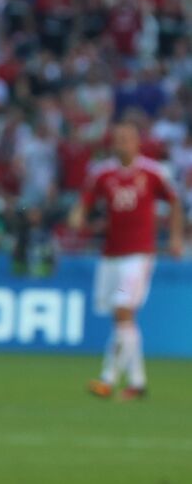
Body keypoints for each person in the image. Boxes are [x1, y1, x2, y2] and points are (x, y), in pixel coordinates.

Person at [69, 121, 184, 400]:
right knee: (123, 320)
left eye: (127, 139)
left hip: (138, 255)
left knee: (123, 311)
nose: (121, 143)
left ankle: (107, 379)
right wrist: (78, 215)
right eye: (117, 138)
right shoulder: (103, 173)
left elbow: (175, 201)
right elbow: (85, 199)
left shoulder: (152, 172)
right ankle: (137, 382)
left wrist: (176, 236)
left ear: (137, 143)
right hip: (111, 255)